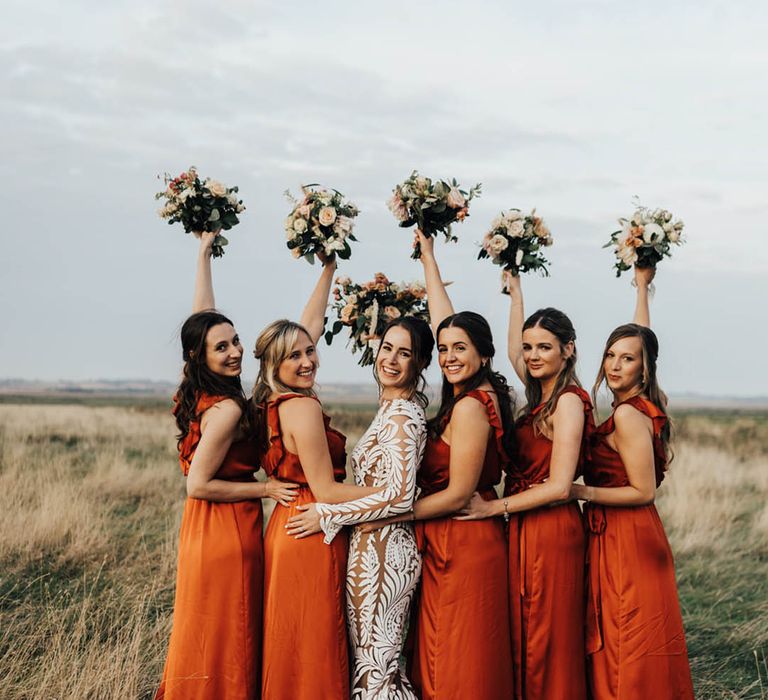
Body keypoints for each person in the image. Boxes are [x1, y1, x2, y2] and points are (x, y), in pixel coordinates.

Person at [361, 231, 515, 699]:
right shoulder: (468, 393)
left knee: (457, 658)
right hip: (446, 536)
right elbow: (447, 322)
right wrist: (430, 258)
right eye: (442, 350)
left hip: (464, 538)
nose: (448, 357)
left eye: (459, 349)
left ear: (484, 354)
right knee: (437, 653)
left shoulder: (471, 407)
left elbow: (456, 495)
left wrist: (390, 510)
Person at [156, 232, 297, 700]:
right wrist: (265, 490)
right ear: (202, 356)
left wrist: (203, 254)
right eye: (223, 347)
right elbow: (198, 485)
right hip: (227, 527)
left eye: (236, 341)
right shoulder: (229, 410)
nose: (235, 351)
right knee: (231, 631)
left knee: (205, 630)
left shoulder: (197, 388)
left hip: (202, 532)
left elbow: (203, 318)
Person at [254, 254, 387, 700]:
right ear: (275, 364)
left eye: (310, 351)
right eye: (294, 356)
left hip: (286, 523)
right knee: (313, 644)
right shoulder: (304, 408)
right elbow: (328, 489)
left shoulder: (272, 401)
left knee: (291, 644)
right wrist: (394, 492)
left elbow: (303, 327)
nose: (307, 361)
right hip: (313, 529)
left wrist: (328, 268)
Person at [457, 271, 591, 700]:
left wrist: (491, 510)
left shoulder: (568, 401)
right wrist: (516, 295)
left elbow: (559, 486)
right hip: (525, 525)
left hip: (550, 529)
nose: (532, 356)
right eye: (530, 347)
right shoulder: (541, 394)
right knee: (525, 632)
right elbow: (516, 351)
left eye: (544, 347)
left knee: (544, 637)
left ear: (568, 350)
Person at [284, 316, 434, 699]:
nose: (392, 360)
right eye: (387, 349)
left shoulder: (403, 416)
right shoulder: (392, 408)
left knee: (376, 673)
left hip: (387, 556)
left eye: (405, 354)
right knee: (374, 670)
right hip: (371, 549)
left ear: (419, 364)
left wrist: (328, 514)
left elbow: (400, 495)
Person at [571, 266, 695, 699]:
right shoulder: (645, 404)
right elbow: (643, 334)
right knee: (632, 638)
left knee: (627, 640)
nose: (616, 364)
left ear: (644, 367)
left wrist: (578, 491)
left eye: (628, 358)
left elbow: (643, 490)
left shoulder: (627, 414)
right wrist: (642, 286)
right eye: (610, 355)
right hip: (628, 533)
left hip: (626, 534)